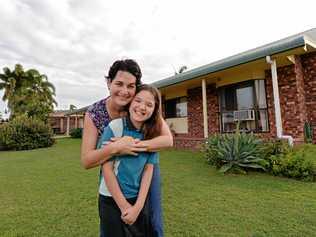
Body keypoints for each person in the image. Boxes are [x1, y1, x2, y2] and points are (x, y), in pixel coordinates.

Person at [81, 59, 173, 237]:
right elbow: (86, 160)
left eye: (130, 86)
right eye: (118, 84)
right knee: (111, 223)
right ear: (108, 83)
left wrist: (132, 145)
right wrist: (116, 148)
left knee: (152, 221)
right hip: (112, 167)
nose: (124, 91)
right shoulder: (95, 113)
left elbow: (167, 140)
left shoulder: (140, 106)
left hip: (144, 164)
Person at [99, 84, 162, 236]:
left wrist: (138, 207)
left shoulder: (153, 135)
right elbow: (106, 169)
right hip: (111, 199)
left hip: (137, 199)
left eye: (149, 104)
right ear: (131, 102)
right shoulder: (115, 127)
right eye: (138, 101)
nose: (142, 107)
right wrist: (123, 206)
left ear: (154, 110)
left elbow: (148, 170)